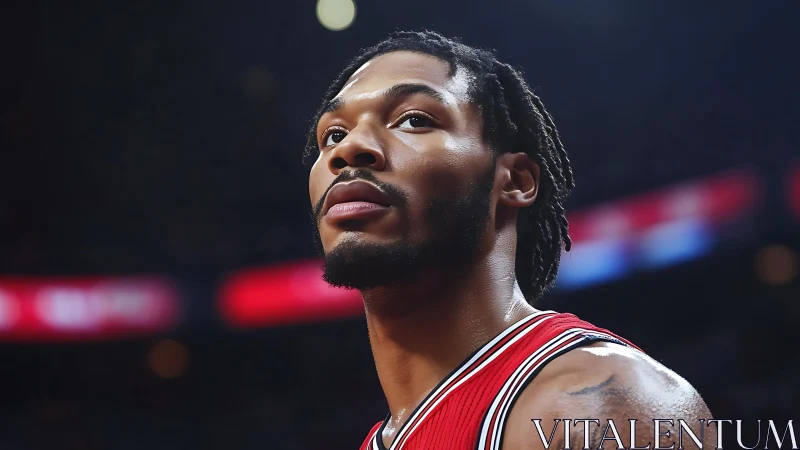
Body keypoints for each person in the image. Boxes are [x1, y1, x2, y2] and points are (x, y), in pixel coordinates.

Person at [305, 31, 715, 450]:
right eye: (333, 134)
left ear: (515, 181)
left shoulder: (595, 404)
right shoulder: (384, 439)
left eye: (414, 119)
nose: (349, 148)